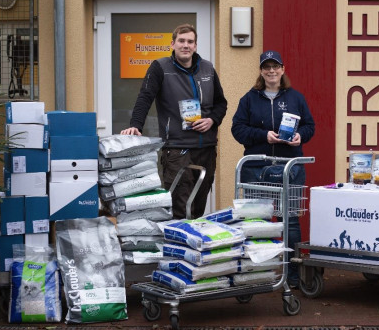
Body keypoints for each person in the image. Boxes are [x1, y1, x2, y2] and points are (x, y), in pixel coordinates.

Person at [121, 23, 227, 219]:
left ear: (195, 46)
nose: (185, 45)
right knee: (179, 206)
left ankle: (195, 246)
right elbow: (145, 97)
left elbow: (221, 103)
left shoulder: (208, 68)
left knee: (198, 205)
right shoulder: (160, 67)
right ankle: (178, 247)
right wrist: (135, 125)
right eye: (181, 41)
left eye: (190, 41)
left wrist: (212, 120)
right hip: (177, 149)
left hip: (206, 148)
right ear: (172, 44)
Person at [231, 50, 315, 287]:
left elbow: (310, 126)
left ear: (282, 69)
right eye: (266, 67)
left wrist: (300, 136)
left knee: (290, 221)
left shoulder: (296, 98)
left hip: (289, 168)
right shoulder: (249, 99)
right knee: (258, 223)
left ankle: (293, 274)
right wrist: (263, 136)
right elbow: (237, 129)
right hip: (257, 169)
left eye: (275, 66)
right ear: (261, 71)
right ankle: (258, 273)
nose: (271, 71)